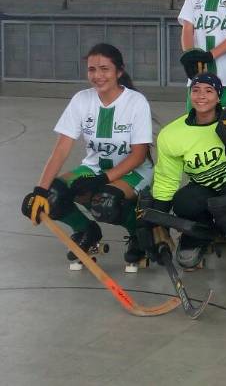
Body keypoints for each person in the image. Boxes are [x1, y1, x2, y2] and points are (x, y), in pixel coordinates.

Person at [20, 44, 153, 271]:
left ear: (119, 72)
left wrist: (103, 180)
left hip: (134, 171)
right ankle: (86, 231)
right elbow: (61, 149)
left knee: (105, 203)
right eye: (92, 69)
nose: (98, 76)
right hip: (95, 168)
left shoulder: (135, 101)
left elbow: (139, 155)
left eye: (104, 69)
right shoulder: (82, 99)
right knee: (53, 195)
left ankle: (138, 233)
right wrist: (40, 190)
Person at [150, 73, 226, 272]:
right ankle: (198, 235)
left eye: (209, 91)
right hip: (204, 187)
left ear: (219, 96)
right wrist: (159, 218)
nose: (201, 96)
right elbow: (166, 178)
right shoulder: (171, 134)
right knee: (184, 201)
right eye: (196, 90)